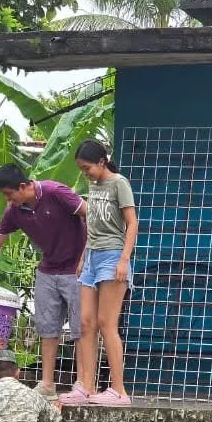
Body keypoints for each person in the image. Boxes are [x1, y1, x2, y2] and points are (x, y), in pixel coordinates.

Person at [0, 164, 86, 398]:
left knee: (80, 328)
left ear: (23, 186)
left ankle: (82, 384)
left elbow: (90, 214)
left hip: (77, 269)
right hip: (47, 269)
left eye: (9, 194)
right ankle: (47, 384)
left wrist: (86, 257)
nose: (7, 199)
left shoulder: (55, 192)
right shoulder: (14, 211)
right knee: (47, 327)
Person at [59, 139, 138, 407]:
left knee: (107, 323)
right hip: (91, 258)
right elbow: (92, 225)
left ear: (102, 162)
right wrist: (83, 257)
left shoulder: (119, 183)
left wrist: (124, 260)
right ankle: (86, 386)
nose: (85, 173)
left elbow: (132, 223)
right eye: (81, 169)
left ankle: (119, 390)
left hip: (113, 256)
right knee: (85, 324)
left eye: (87, 168)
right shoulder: (92, 186)